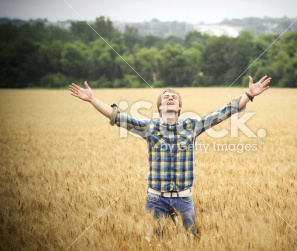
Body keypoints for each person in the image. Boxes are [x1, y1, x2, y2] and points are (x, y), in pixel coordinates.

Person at [69, 75, 270, 235]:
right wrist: (91, 99)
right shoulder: (149, 127)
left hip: (184, 200)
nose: (170, 98)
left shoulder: (192, 126)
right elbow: (117, 117)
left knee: (188, 242)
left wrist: (249, 95)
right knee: (155, 243)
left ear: (180, 107)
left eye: (174, 97)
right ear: (160, 107)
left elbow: (224, 112)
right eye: (166, 97)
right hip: (155, 200)